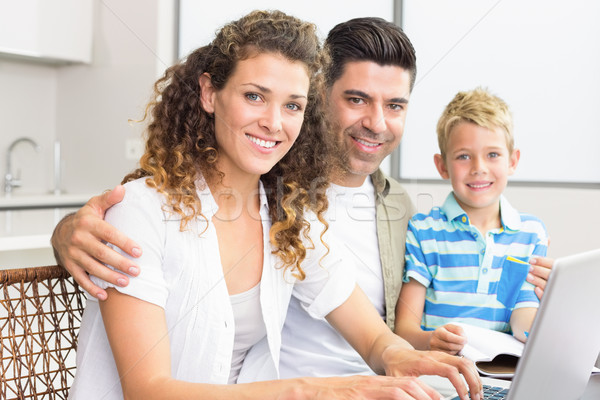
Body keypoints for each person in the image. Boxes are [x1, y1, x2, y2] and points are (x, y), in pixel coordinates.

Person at [66, 10, 481, 400]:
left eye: (292, 106)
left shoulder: (286, 216)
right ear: (210, 93)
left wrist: (404, 356)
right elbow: (148, 390)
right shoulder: (141, 213)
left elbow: (373, 338)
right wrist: (317, 390)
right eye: (254, 96)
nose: (274, 122)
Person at [395, 87, 548, 355]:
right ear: (442, 166)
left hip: (498, 377)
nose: (479, 167)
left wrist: (555, 299)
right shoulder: (424, 231)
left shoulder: (530, 234)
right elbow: (404, 330)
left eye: (493, 155)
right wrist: (431, 341)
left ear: (512, 161)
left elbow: (524, 328)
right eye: (464, 156)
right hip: (439, 374)